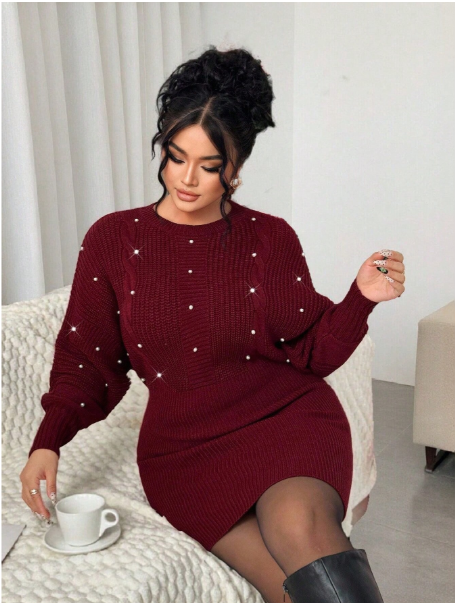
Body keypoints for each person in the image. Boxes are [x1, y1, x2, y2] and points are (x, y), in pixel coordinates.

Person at [20, 46, 405, 603]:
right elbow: (87, 361)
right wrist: (48, 443)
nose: (187, 179)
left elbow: (312, 351)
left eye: (209, 166)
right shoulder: (113, 240)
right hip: (184, 455)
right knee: (291, 592)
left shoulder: (270, 237)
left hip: (286, 420)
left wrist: (360, 300)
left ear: (237, 169)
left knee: (300, 528)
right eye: (176, 157)